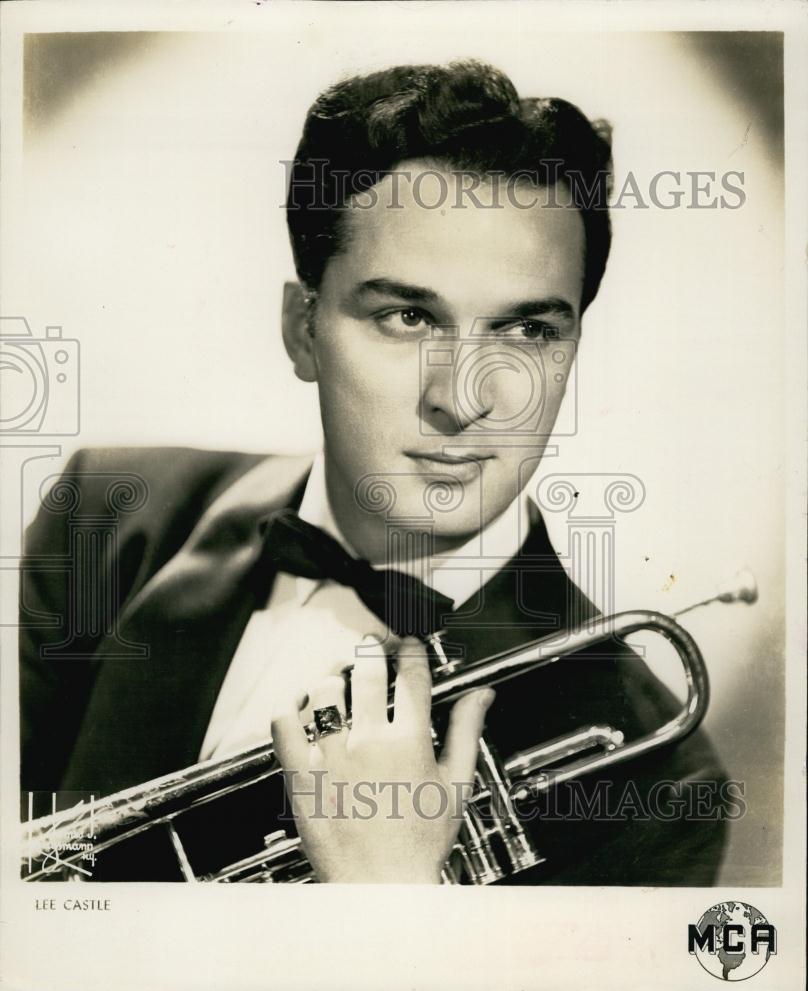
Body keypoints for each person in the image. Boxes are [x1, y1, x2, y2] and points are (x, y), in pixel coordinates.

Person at [19, 60, 727, 884]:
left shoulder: (658, 781)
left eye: (527, 332)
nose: (463, 401)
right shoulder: (107, 517)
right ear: (302, 329)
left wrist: (389, 907)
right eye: (407, 317)